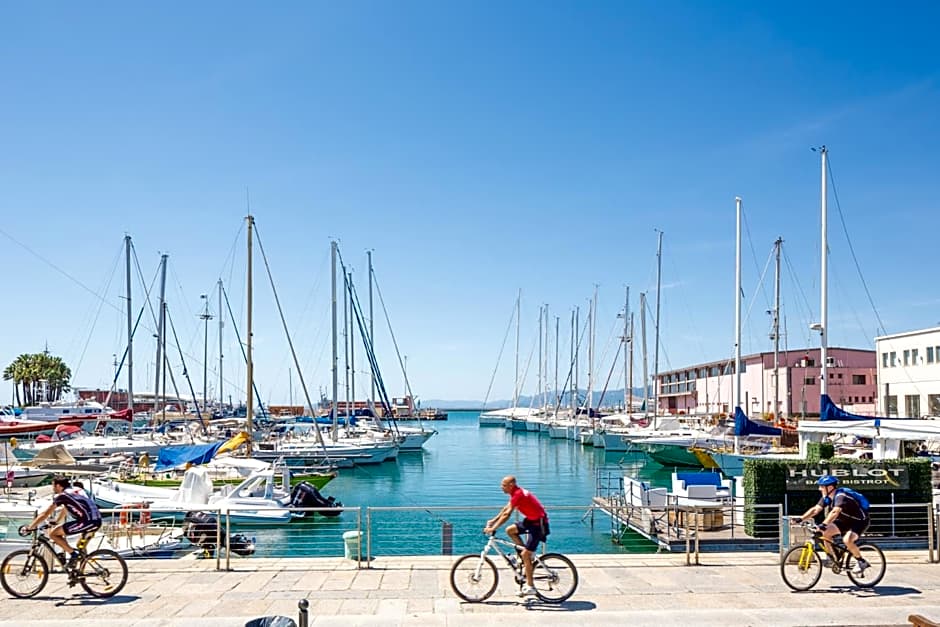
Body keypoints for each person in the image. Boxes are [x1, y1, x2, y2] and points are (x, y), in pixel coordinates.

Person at [483, 476, 549, 598]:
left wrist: (493, 528)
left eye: (504, 485)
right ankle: (524, 557)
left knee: (525, 554)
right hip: (530, 521)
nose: (501, 487)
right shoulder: (515, 493)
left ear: (511, 484)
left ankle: (530, 586)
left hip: (538, 525)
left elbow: (507, 514)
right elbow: (505, 509)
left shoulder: (518, 494)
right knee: (510, 530)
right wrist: (493, 520)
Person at [792, 475, 870, 574]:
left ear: (829, 487)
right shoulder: (827, 497)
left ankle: (861, 561)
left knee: (847, 540)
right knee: (825, 533)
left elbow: (835, 512)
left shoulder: (841, 496)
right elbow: (816, 509)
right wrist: (800, 519)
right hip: (844, 521)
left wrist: (823, 524)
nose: (819, 489)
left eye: (821, 486)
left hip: (859, 521)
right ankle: (833, 557)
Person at [25, 476, 102, 569]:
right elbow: (66, 508)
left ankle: (73, 555)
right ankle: (78, 572)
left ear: (58, 486)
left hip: (88, 522)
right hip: (95, 520)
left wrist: (30, 527)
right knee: (80, 547)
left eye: (53, 486)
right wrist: (57, 521)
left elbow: (45, 514)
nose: (52, 488)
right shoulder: (76, 490)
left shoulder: (62, 496)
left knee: (53, 534)